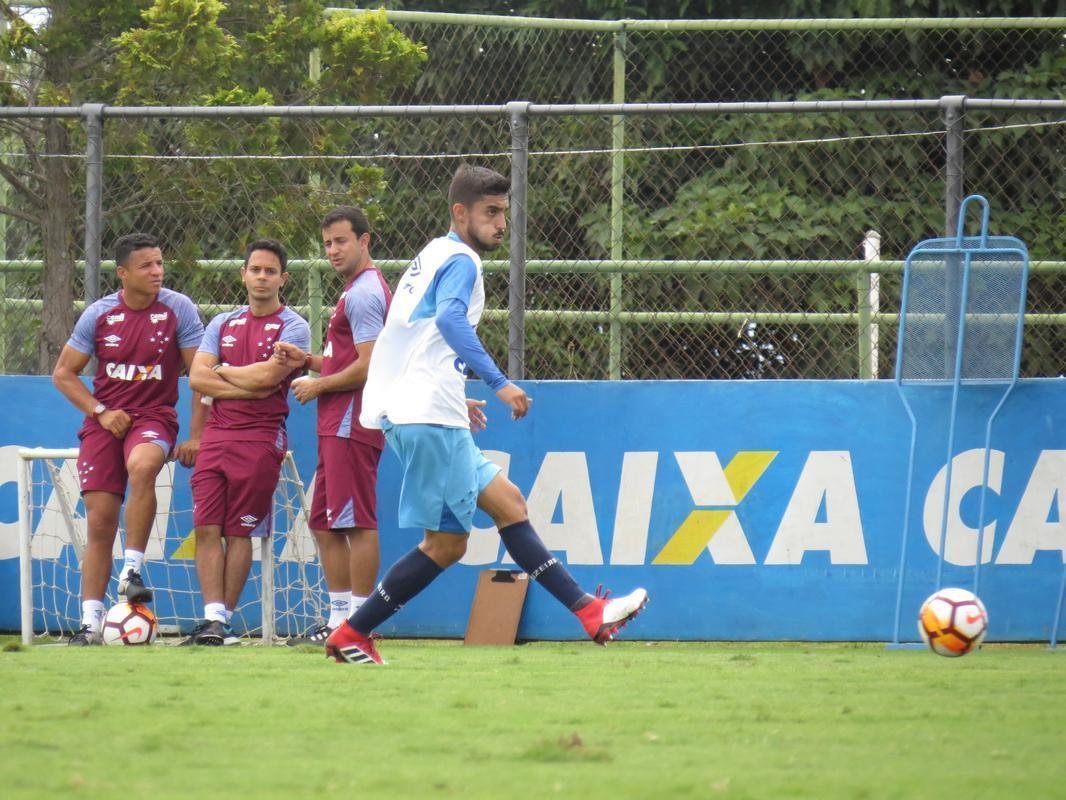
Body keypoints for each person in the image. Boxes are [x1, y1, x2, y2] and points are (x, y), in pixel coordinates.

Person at [315, 165, 647, 665]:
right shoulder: (462, 261)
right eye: (490, 212)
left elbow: (409, 337)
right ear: (460, 212)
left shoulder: (433, 253)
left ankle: (588, 611)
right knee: (445, 545)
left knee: (510, 504)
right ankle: (351, 632)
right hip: (427, 414)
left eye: (503, 213)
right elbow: (450, 321)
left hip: (426, 408)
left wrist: (453, 393)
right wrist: (498, 382)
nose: (500, 224)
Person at [52, 232, 206, 645]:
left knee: (143, 465)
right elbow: (63, 374)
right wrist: (101, 411)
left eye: (159, 263)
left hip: (154, 417)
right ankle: (89, 624)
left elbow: (201, 376)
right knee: (100, 522)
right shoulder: (99, 314)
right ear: (123, 273)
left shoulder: (178, 308)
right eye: (146, 266)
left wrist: (196, 434)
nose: (157, 272)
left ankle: (131, 570)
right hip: (105, 423)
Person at [273, 207, 392, 645]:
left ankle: (359, 624)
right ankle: (338, 619)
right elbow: (347, 360)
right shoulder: (354, 291)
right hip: (336, 423)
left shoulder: (364, 294)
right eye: (327, 244)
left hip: (351, 422)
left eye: (341, 241)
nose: (333, 251)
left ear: (365, 241)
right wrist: (308, 360)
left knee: (356, 523)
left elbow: (369, 366)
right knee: (324, 524)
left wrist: (318, 384)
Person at [185, 239, 310, 645]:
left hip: (261, 436)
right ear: (243, 274)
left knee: (239, 532)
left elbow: (269, 379)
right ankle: (211, 617)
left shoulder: (294, 326)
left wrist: (223, 372)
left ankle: (223, 622)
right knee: (206, 527)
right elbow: (197, 378)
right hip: (216, 436)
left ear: (283, 278)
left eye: (270, 271)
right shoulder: (222, 323)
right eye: (255, 269)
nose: (261, 277)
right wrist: (244, 382)